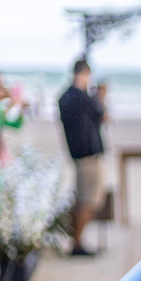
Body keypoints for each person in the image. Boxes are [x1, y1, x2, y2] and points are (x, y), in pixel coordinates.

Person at [57, 59, 105, 256]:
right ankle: (77, 243)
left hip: (76, 154)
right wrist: (100, 97)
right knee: (89, 200)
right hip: (89, 154)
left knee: (80, 199)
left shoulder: (65, 97)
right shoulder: (83, 98)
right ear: (85, 74)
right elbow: (101, 115)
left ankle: (75, 241)